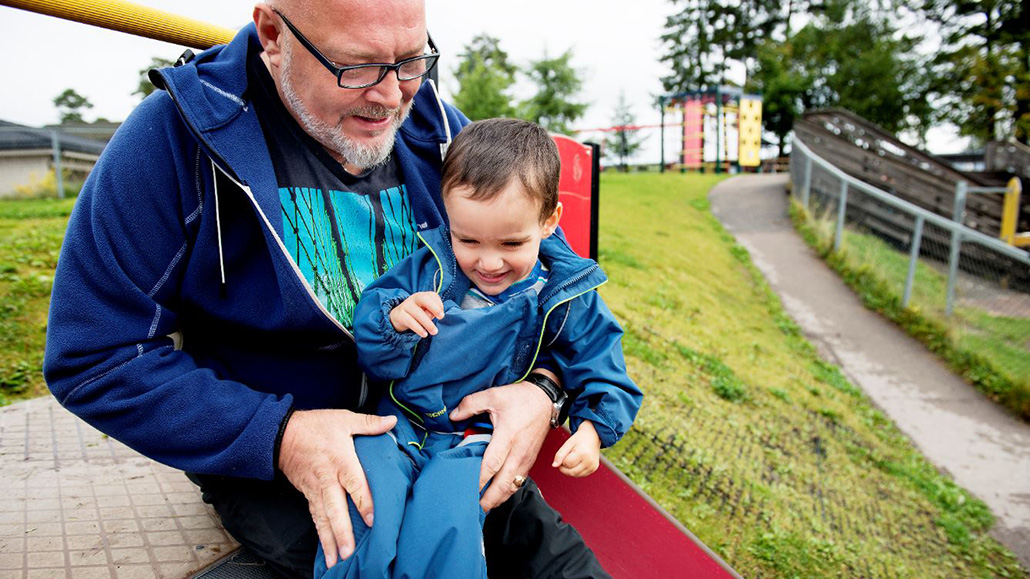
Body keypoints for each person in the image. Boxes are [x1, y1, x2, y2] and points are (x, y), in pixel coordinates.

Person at [42, 1, 609, 577]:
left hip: (443, 431)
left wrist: (544, 390)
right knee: (369, 562)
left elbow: (564, 285)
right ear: (272, 34)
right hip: (277, 451)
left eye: (412, 61)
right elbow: (94, 357)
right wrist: (280, 435)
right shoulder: (174, 141)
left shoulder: (440, 133)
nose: (392, 96)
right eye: (356, 67)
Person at [317, 119, 643, 578]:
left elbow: (602, 364)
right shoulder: (430, 269)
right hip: (396, 421)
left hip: (473, 439)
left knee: (445, 521)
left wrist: (592, 429)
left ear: (549, 221)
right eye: (468, 239)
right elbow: (373, 342)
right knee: (367, 505)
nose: (488, 263)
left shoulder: (564, 296)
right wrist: (392, 322)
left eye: (512, 243)